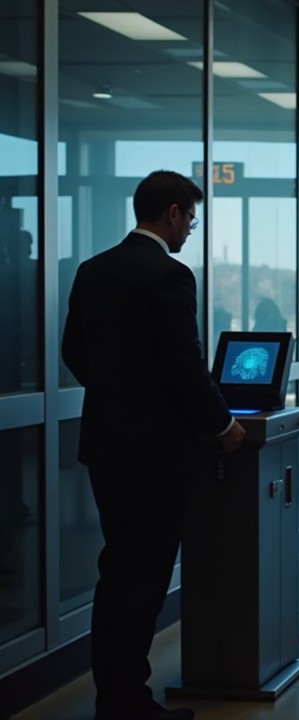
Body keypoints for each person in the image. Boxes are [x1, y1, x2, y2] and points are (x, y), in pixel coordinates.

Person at [61, 170, 246, 720]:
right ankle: (128, 702)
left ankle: (111, 695)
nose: (190, 229)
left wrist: (118, 394)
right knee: (144, 577)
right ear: (171, 212)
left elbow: (74, 351)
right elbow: (185, 363)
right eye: (190, 217)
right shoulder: (169, 273)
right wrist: (222, 425)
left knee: (116, 569)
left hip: (105, 445)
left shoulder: (93, 270)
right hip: (157, 453)